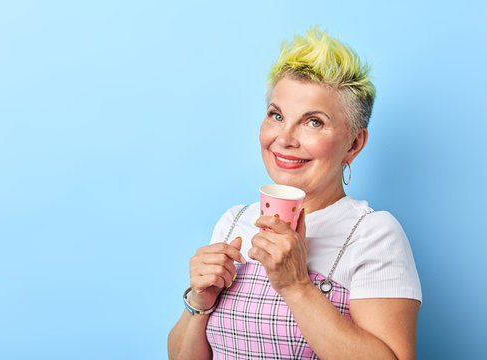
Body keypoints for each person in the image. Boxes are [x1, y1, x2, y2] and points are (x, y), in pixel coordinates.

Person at [168, 27, 421, 359]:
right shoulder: (234, 223)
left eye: (313, 122)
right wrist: (199, 303)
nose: (284, 138)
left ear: (354, 144)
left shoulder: (373, 235)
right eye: (277, 115)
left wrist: (297, 286)